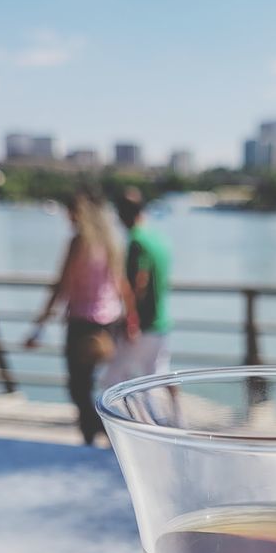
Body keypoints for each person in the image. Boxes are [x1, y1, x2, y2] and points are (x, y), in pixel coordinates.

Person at [24, 186, 137, 444]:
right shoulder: (111, 242)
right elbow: (123, 286)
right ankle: (109, 431)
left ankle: (93, 433)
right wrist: (131, 320)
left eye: (71, 211)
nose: (68, 216)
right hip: (110, 322)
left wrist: (39, 326)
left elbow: (61, 286)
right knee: (108, 383)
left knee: (79, 386)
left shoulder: (79, 243)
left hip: (82, 323)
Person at [105, 188, 172, 381]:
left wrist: (130, 319)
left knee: (113, 381)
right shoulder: (158, 238)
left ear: (122, 214)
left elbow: (139, 282)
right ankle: (171, 412)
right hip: (160, 323)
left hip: (142, 326)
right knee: (156, 378)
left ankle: (128, 412)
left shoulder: (136, 241)